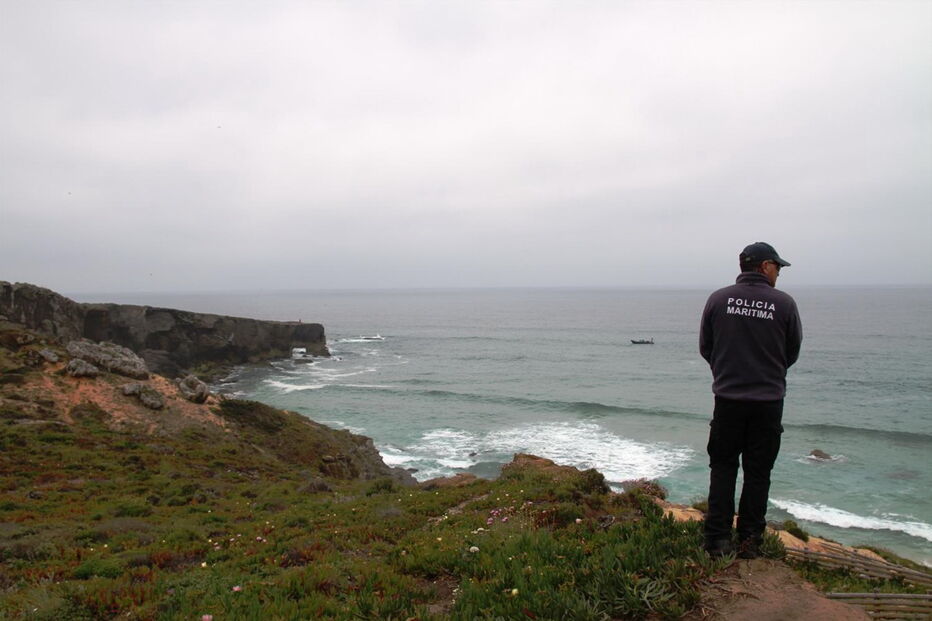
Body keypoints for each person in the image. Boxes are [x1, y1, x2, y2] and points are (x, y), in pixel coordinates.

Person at [699, 242, 802, 559]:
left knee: (723, 467)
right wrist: (766, 372)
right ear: (764, 266)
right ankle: (749, 541)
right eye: (778, 267)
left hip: (728, 399)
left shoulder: (718, 299)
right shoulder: (783, 304)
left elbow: (707, 347)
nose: (779, 273)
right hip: (767, 402)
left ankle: (717, 541)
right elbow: (791, 352)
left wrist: (728, 371)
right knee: (758, 472)